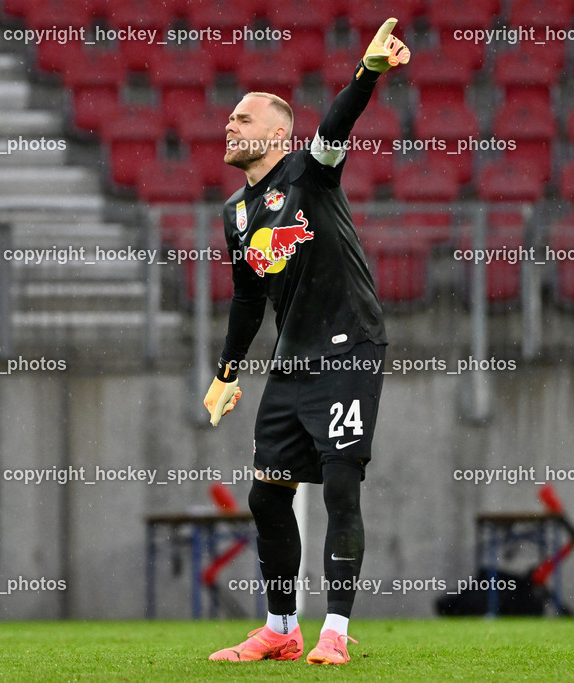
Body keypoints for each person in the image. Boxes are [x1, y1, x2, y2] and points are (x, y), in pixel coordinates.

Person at [203, 18, 410, 666]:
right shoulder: (236, 214)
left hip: (350, 347)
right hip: (293, 360)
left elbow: (337, 126)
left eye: (242, 118)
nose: (229, 126)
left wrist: (368, 71)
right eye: (229, 119)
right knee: (268, 492)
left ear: (274, 132)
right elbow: (245, 298)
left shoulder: (307, 171)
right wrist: (227, 372)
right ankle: (282, 627)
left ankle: (336, 632)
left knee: (342, 485)